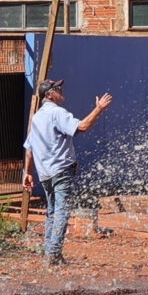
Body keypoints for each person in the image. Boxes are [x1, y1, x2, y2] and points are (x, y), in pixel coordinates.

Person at [22, 78, 112, 266]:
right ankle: (53, 254)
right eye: (57, 89)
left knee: (52, 212)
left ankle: (50, 251)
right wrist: (99, 109)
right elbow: (82, 127)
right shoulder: (56, 112)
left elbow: (29, 149)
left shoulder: (37, 117)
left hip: (45, 172)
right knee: (62, 211)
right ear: (49, 94)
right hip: (61, 170)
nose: (61, 91)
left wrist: (27, 173)